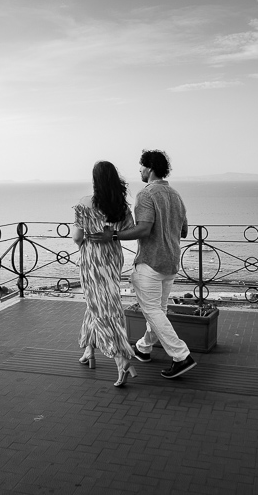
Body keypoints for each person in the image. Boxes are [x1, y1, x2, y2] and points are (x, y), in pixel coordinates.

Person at [89, 150, 196, 379]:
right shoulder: (176, 195)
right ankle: (144, 348)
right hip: (171, 263)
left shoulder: (146, 194)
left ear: (149, 168)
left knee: (152, 311)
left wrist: (114, 236)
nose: (139, 170)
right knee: (159, 311)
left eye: (141, 166)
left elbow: (144, 229)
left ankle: (181, 355)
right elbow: (184, 230)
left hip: (150, 263)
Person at [71, 161, 138, 387]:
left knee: (100, 306)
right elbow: (130, 230)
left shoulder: (85, 204)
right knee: (100, 303)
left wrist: (86, 242)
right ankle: (89, 349)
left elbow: (77, 238)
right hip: (112, 258)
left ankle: (121, 360)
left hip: (92, 259)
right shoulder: (120, 205)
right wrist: (114, 233)